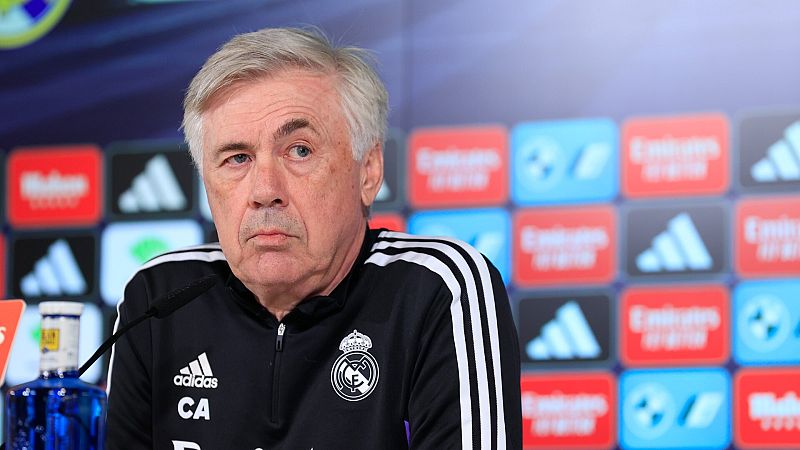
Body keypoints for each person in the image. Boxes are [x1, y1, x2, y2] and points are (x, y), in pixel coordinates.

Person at [106, 27, 522, 449]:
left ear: (368, 172)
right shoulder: (160, 300)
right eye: (237, 158)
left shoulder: (436, 289)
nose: (265, 190)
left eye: (300, 150)